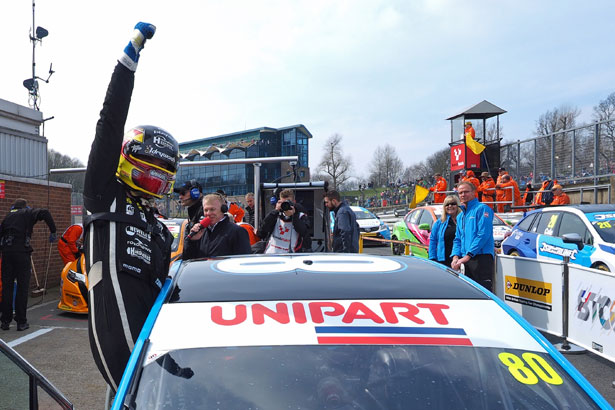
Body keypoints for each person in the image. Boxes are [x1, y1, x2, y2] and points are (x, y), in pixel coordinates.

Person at [82, 23, 179, 391]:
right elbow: (110, 122)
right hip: (118, 336)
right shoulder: (102, 190)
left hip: (155, 335)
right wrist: (129, 59)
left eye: (159, 181)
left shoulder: (157, 224)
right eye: (145, 175)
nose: (151, 186)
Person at [0, 199, 56, 331]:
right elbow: (45, 212)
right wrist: (53, 231)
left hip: (7, 254)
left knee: (7, 288)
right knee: (22, 287)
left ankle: (5, 322)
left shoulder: (7, 217)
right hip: (21, 253)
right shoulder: (27, 212)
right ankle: (21, 322)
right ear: (25, 206)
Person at [451, 181, 495, 291]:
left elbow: (483, 234)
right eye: (460, 193)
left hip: (481, 258)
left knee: (482, 293)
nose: (463, 195)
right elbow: (457, 239)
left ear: (473, 193)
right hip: (465, 260)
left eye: (466, 192)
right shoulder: (461, 215)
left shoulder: (482, 209)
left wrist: (468, 255)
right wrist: (455, 257)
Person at [183, 194, 252, 259]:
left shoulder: (237, 232)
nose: (208, 213)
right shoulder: (201, 232)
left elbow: (243, 261)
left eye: (212, 209)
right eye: (206, 210)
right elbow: (187, 259)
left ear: (223, 209)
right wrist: (192, 241)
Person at [257, 189, 310, 253]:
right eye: (283, 203)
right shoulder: (275, 215)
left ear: (294, 202)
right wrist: (275, 211)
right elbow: (262, 233)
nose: (286, 205)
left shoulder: (301, 216)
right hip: (271, 253)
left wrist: (294, 216)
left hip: (292, 255)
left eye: (288, 202)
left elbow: (305, 233)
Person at [428, 196, 461, 267]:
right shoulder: (439, 223)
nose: (450, 206)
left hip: (460, 259)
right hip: (443, 260)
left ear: (458, 205)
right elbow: (433, 241)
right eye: (447, 204)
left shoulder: (464, 220)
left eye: (453, 204)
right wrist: (432, 258)